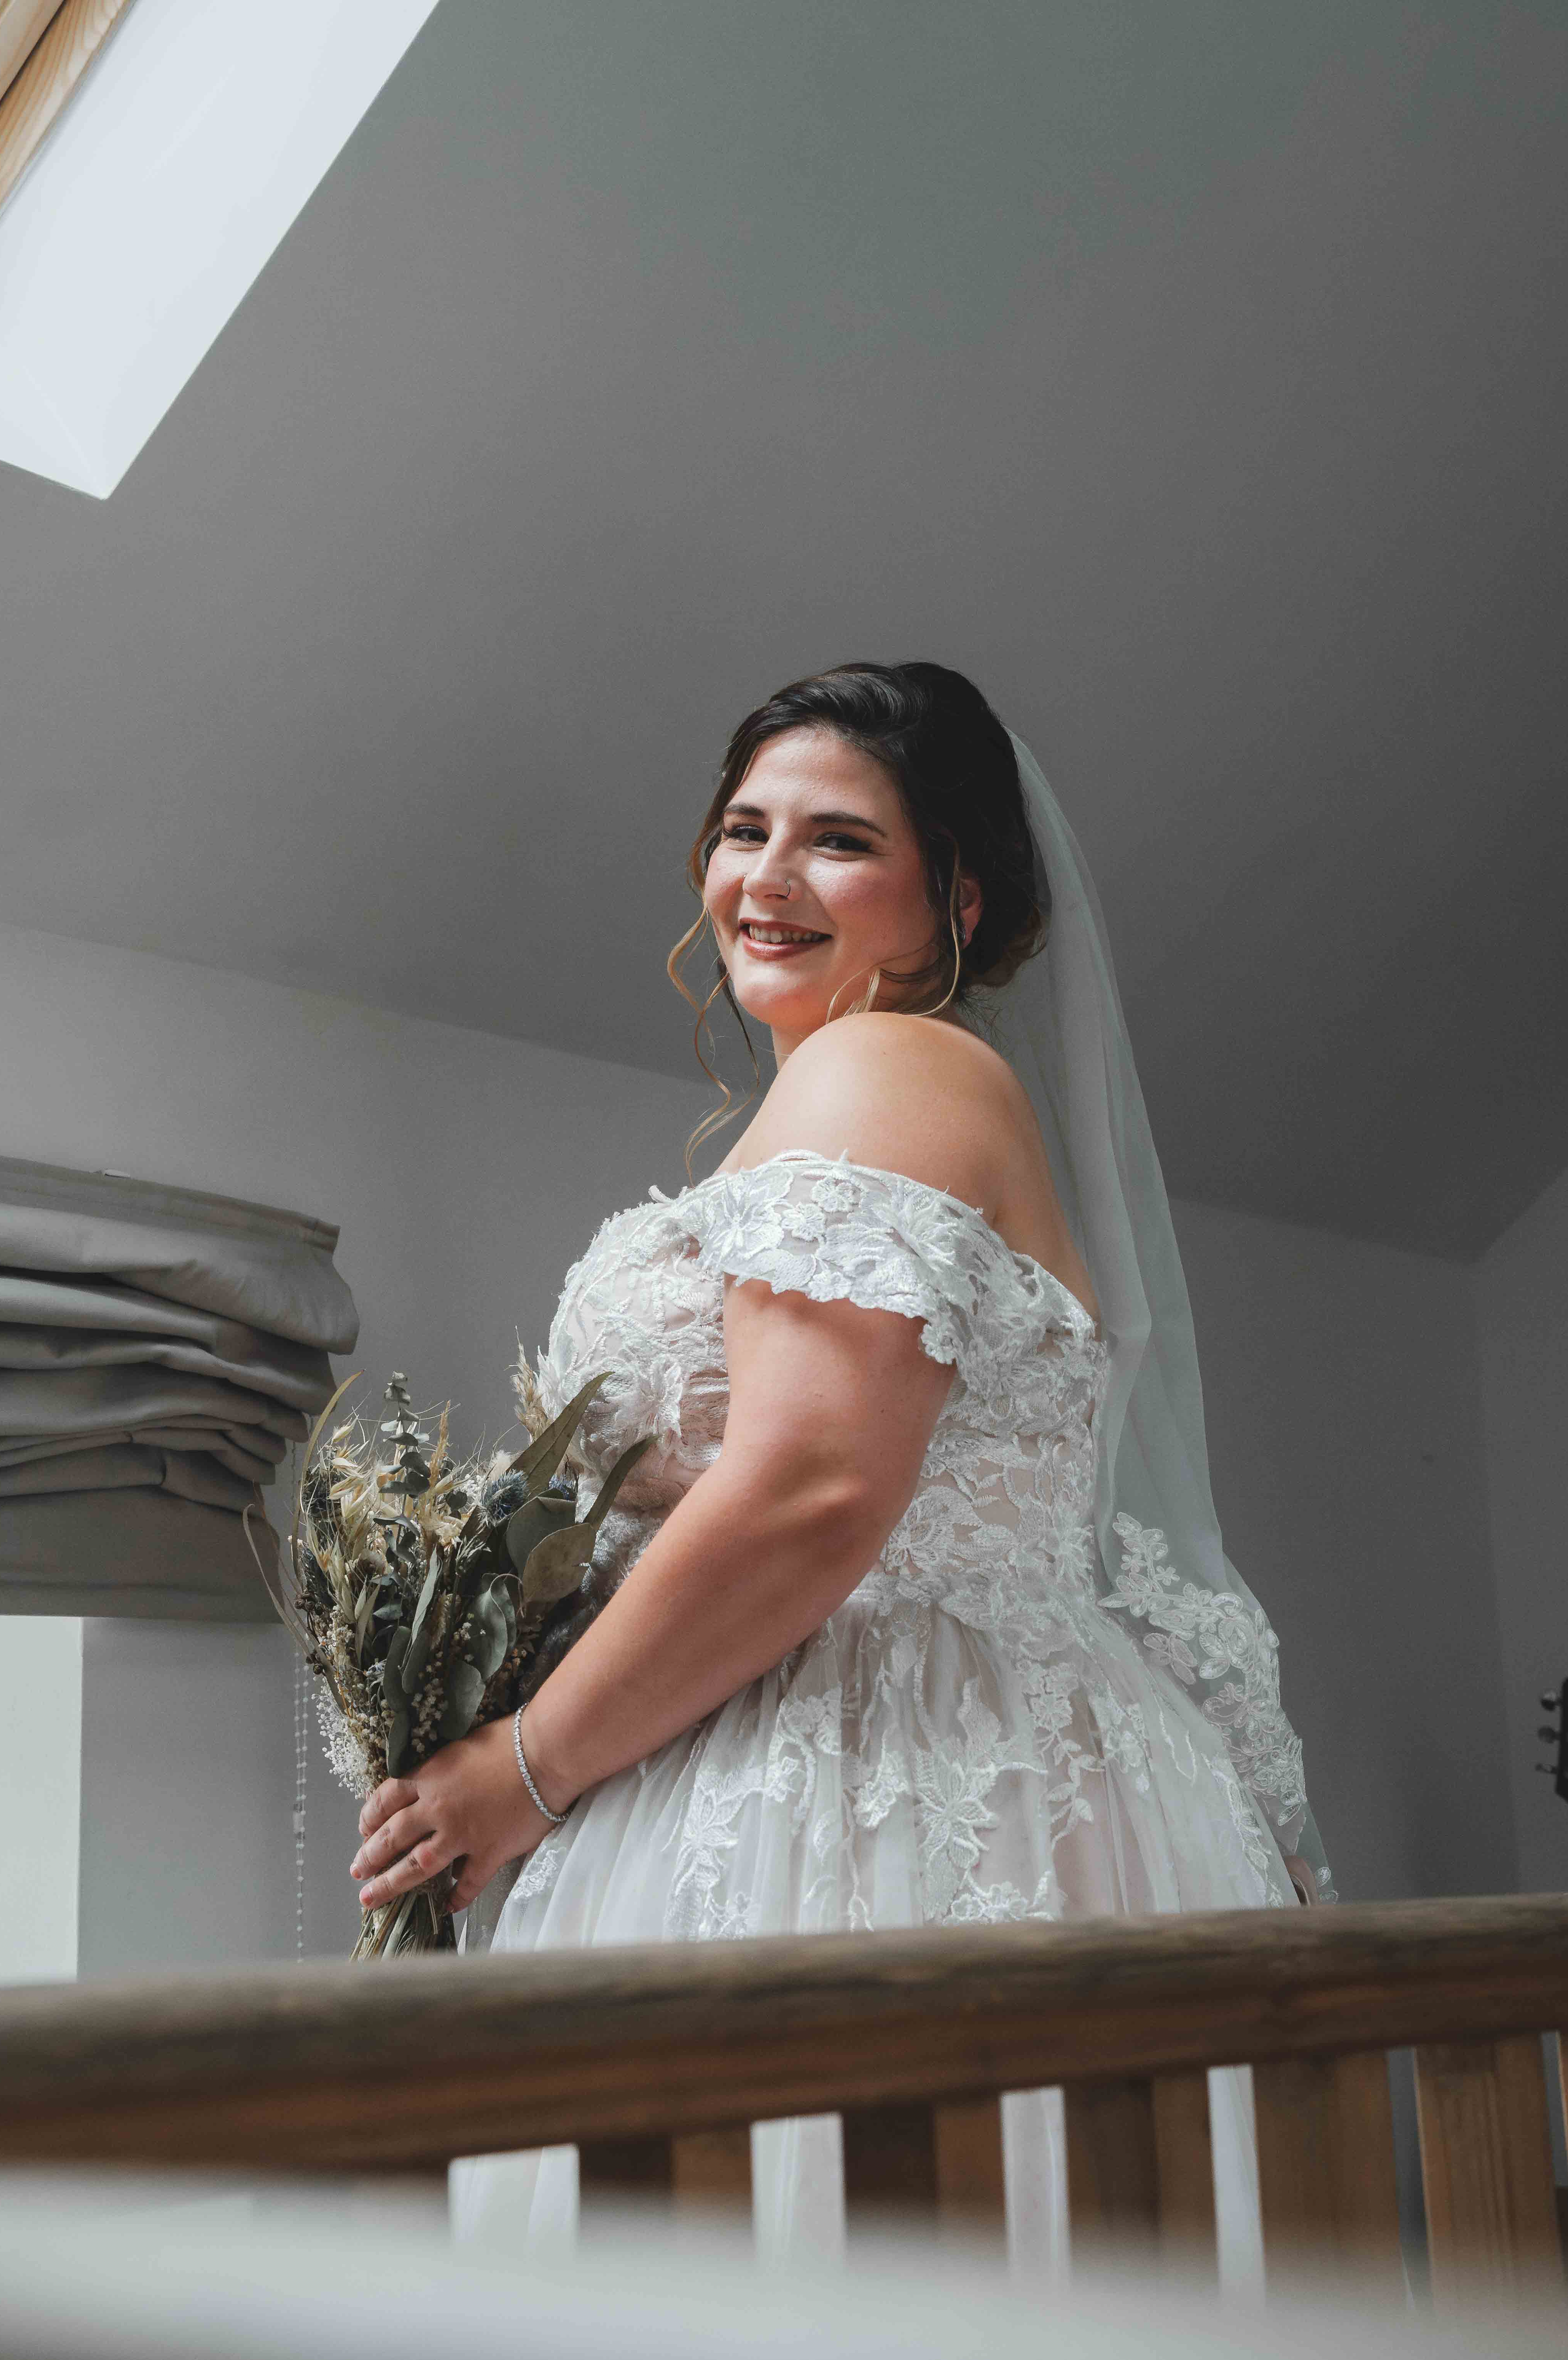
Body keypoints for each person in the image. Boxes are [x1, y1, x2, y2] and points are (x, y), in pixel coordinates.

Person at [349, 660, 1334, 2274]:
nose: (768, 876)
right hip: (829, 1733)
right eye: (744, 830)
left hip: (885, 1761)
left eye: (836, 841)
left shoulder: (891, 1069)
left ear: (948, 894)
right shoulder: (844, 1095)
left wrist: (517, 1768)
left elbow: (813, 1489)